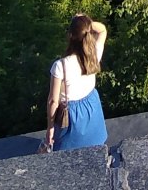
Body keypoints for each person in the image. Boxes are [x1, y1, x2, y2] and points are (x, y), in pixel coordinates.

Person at [43, 13, 108, 152]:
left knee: (67, 153)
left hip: (72, 115)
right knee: (95, 147)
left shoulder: (60, 66)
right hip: (92, 106)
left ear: (70, 36)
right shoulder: (93, 54)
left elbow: (53, 102)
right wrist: (86, 21)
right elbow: (102, 30)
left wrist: (50, 128)